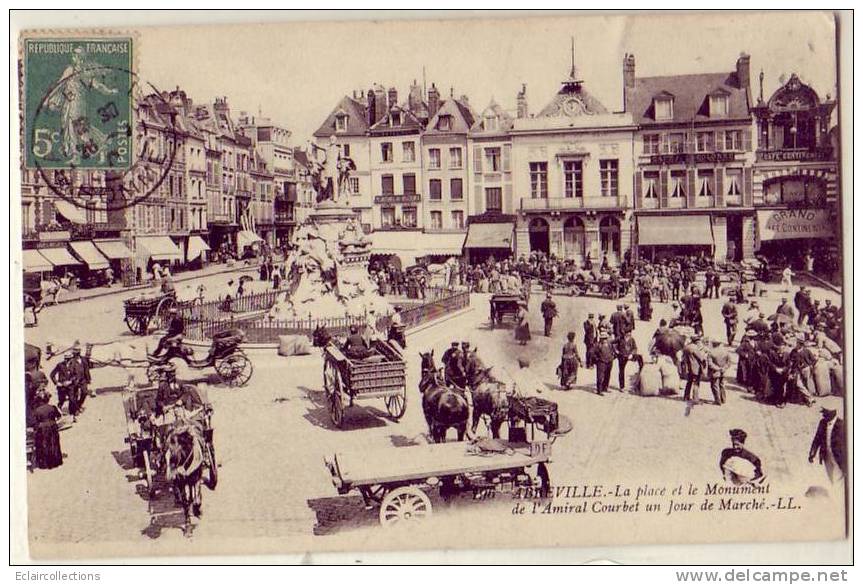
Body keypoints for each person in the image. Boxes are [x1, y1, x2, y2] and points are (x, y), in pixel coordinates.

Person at [808, 408, 846, 483]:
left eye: (825, 413)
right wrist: (812, 454)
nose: (823, 415)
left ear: (832, 414)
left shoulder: (842, 424)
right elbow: (817, 439)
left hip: (839, 457)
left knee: (841, 476)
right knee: (831, 477)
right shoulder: (822, 423)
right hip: (826, 456)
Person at [31, 393, 64, 470]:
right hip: (53, 427)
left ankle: (45, 463)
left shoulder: (37, 411)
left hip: (42, 428)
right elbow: (59, 416)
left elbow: (34, 422)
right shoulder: (52, 407)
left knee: (44, 445)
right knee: (54, 443)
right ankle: (56, 462)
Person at [50, 351, 82, 422]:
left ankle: (72, 415)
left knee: (72, 400)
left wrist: (70, 381)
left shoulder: (75, 365)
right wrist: (57, 382)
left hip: (70, 386)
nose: (66, 360)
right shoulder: (60, 365)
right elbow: (52, 374)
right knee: (61, 400)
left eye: (68, 359)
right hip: (61, 386)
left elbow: (77, 375)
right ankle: (57, 415)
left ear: (71, 358)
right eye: (65, 359)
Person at [681, 335, 707, 403]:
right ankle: (695, 398)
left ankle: (686, 396)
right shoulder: (695, 348)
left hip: (688, 367)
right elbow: (701, 358)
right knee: (696, 383)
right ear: (697, 341)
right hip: (695, 368)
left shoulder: (686, 347)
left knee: (689, 382)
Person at [706, 338, 730, 405]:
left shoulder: (711, 352)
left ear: (713, 344)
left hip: (715, 372)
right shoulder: (725, 351)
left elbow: (710, 364)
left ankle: (717, 400)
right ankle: (723, 399)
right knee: (722, 385)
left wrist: (717, 368)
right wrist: (724, 368)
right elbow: (729, 362)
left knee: (715, 386)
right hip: (723, 371)